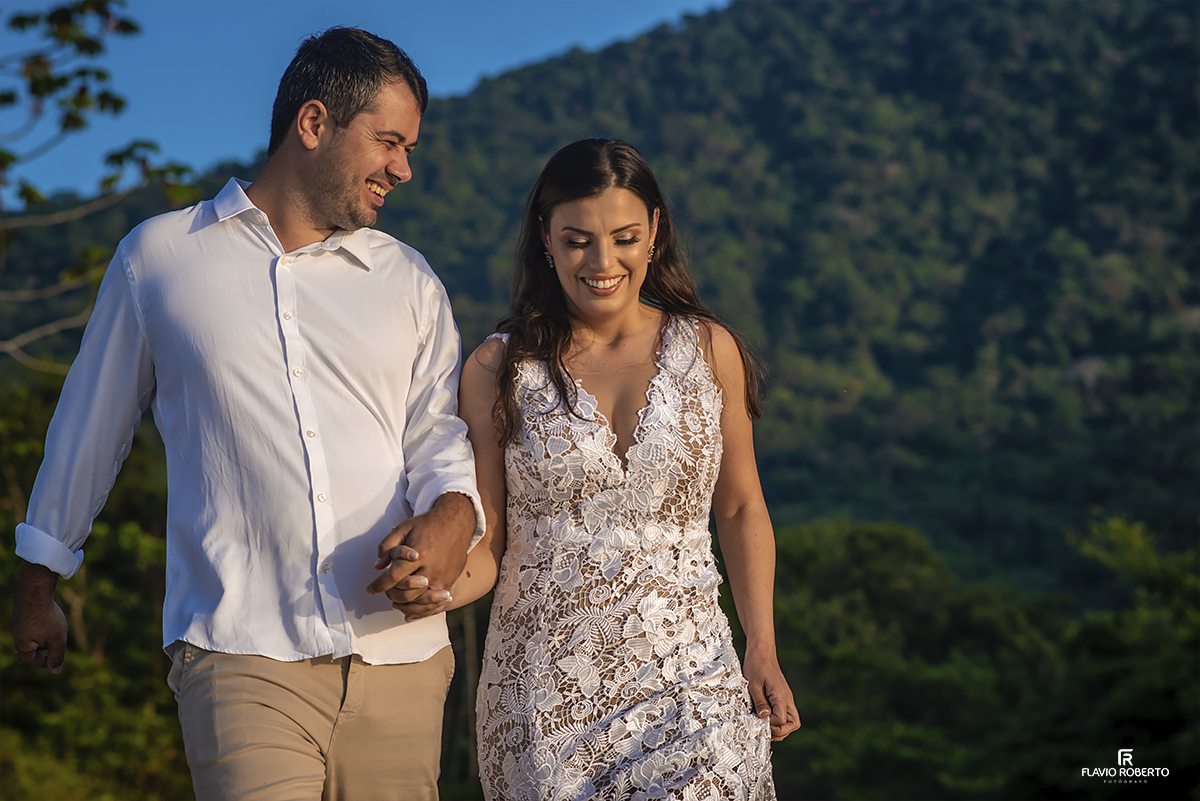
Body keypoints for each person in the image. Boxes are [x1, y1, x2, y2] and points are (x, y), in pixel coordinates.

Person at [11, 27, 484, 801]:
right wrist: (38, 585)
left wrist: (456, 512)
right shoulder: (159, 259)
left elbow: (437, 435)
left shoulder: (410, 280)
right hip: (239, 653)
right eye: (389, 142)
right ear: (314, 123)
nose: (403, 168)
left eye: (408, 148)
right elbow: (86, 432)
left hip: (402, 659)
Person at [401, 139, 801, 799]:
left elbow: (739, 507)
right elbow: (490, 540)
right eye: (578, 240)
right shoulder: (498, 369)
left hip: (694, 678)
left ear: (654, 234)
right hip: (547, 696)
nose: (602, 261)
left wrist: (762, 645)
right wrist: (429, 585)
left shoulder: (709, 348)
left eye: (623, 237)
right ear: (546, 239)